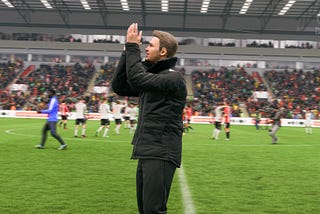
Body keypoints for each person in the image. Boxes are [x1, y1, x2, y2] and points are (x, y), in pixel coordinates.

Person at [111, 23, 187, 214]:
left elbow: (137, 78)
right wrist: (126, 52)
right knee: (145, 210)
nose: (146, 47)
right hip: (148, 149)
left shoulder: (173, 78)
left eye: (150, 45)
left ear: (162, 52)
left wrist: (132, 48)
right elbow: (120, 86)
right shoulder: (153, 78)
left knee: (153, 210)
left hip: (161, 150)